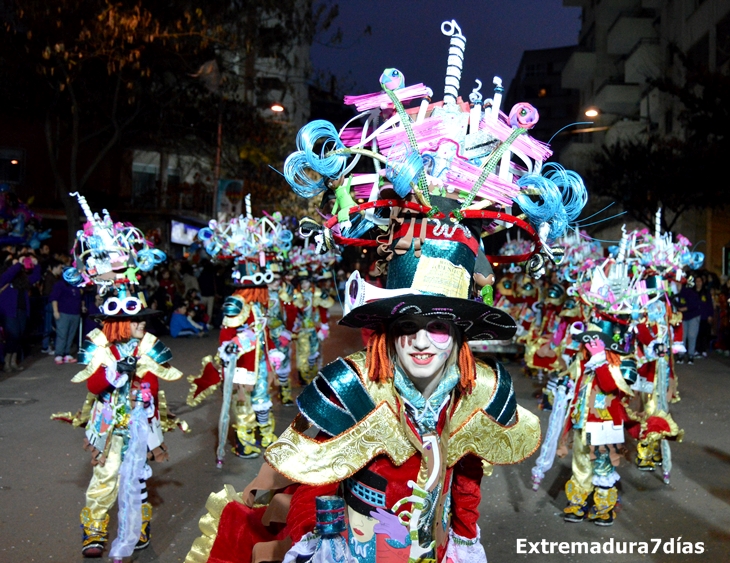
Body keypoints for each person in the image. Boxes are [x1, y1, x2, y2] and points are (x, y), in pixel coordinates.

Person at [0, 248, 41, 371]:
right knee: (12, 336)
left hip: (21, 310)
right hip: (9, 311)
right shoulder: (6, 277)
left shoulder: (21, 279)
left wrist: (36, 264)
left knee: (18, 336)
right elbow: (6, 277)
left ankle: (13, 361)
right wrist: (17, 264)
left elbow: (35, 277)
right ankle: (7, 362)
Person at [49, 273, 83, 364]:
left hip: (75, 313)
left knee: (71, 334)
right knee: (62, 334)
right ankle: (59, 354)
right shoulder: (60, 285)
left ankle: (66, 353)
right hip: (63, 312)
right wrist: (55, 311)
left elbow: (80, 298)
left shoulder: (76, 285)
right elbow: (54, 298)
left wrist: (82, 307)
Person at [676, 277, 701, 364]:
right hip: (682, 317)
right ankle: (681, 355)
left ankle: (691, 355)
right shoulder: (675, 294)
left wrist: (684, 308)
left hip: (693, 316)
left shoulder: (688, 292)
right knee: (682, 336)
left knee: (692, 335)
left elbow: (694, 304)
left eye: (677, 284)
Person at [41, 259, 64, 354]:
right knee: (49, 325)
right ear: (54, 267)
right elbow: (48, 292)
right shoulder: (50, 278)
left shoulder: (54, 277)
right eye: (60, 268)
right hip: (50, 304)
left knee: (51, 325)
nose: (61, 270)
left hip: (51, 303)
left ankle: (48, 345)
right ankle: (45, 346)